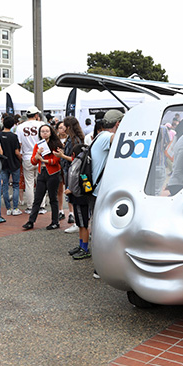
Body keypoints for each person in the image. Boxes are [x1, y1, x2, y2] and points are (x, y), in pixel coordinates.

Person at [75, 110, 125, 262]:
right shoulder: (106, 137)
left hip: (95, 190)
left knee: (98, 224)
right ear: (117, 124)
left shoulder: (99, 136)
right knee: (99, 227)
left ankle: (100, 259)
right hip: (98, 192)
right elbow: (123, 141)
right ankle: (99, 263)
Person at [22, 124, 63, 230]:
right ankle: (31, 221)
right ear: (39, 133)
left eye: (47, 131)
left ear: (51, 132)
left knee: (53, 198)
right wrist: (37, 155)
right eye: (42, 131)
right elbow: (33, 162)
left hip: (53, 173)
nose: (44, 133)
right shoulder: (37, 145)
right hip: (42, 173)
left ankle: (55, 222)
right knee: (37, 198)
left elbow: (56, 160)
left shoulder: (56, 144)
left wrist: (44, 160)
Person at [55, 116, 85, 232]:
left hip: (72, 171)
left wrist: (62, 156)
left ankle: (78, 223)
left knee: (74, 196)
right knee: (72, 196)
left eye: (65, 127)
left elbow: (75, 159)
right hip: (69, 170)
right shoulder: (74, 139)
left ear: (68, 127)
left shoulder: (74, 140)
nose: (63, 129)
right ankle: (78, 223)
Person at [65, 144, 93, 259]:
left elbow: (73, 176)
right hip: (83, 195)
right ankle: (82, 245)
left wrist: (71, 190)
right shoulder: (85, 158)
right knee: (81, 223)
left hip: (79, 196)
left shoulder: (77, 161)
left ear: (73, 154)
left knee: (83, 224)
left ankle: (85, 248)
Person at [17, 106, 44, 214]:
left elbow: (19, 144)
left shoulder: (20, 127)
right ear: (36, 115)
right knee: (41, 182)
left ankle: (30, 206)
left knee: (29, 183)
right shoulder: (41, 124)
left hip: (27, 156)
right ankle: (41, 206)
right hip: (40, 156)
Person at [0, 116, 22, 216]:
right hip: (14, 163)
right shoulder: (13, 136)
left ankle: (8, 208)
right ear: (13, 124)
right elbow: (17, 152)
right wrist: (21, 159)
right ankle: (15, 208)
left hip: (3, 163)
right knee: (16, 185)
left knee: (5, 185)